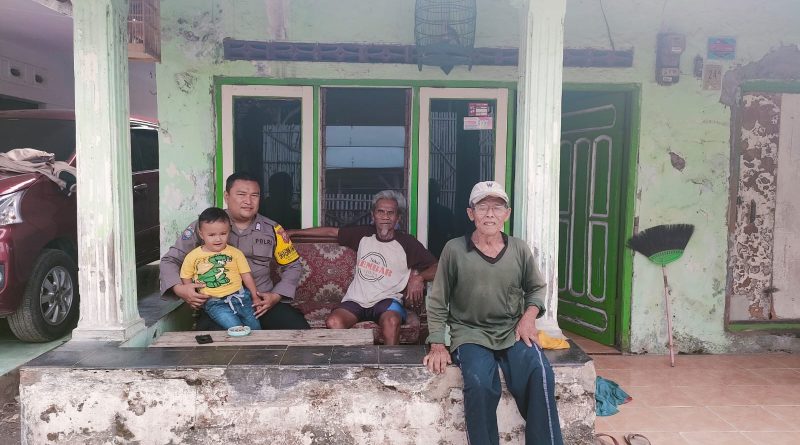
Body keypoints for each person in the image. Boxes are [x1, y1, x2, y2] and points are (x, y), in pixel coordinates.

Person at [423, 181, 563, 445]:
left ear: (506, 214)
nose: (490, 214)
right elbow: (438, 300)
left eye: (497, 208)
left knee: (540, 372)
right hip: (469, 332)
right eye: (482, 207)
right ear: (470, 213)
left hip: (512, 330)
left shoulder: (519, 249)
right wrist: (438, 343)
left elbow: (536, 288)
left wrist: (528, 318)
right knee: (478, 383)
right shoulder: (454, 249)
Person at [160, 172, 310, 330]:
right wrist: (180, 289)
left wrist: (275, 296)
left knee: (299, 329)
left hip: (260, 303)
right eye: (241, 194)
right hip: (218, 304)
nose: (248, 201)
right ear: (227, 196)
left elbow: (293, 266)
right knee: (211, 339)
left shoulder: (272, 230)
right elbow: (170, 260)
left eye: (254, 195)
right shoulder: (206, 226)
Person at [286, 190, 438, 345]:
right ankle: (347, 360)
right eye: (380, 212)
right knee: (334, 322)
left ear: (398, 217)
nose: (385, 216)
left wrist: (419, 278)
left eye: (390, 213)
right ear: (373, 215)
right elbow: (331, 232)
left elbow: (437, 267)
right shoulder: (363, 234)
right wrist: (295, 232)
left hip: (387, 300)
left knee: (391, 322)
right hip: (356, 300)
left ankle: (389, 361)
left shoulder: (407, 242)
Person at [179, 207, 261, 330]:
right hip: (214, 303)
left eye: (223, 234)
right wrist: (192, 294)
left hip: (241, 298)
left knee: (256, 328)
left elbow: (246, 275)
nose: (218, 239)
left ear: (229, 231)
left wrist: (255, 297)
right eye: (211, 235)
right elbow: (186, 276)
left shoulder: (235, 253)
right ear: (201, 234)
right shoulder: (193, 256)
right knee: (236, 329)